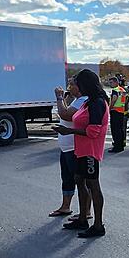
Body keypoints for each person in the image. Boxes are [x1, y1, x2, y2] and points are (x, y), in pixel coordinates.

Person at [53, 68, 109, 238]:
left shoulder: (97, 103)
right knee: (79, 180)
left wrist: (68, 131)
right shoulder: (86, 101)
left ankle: (98, 225)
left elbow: (93, 131)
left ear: (85, 84)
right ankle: (83, 218)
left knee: (93, 185)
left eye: (76, 83)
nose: (74, 86)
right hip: (81, 150)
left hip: (90, 150)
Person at [49, 79, 88, 218]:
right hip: (66, 147)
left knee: (81, 180)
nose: (69, 88)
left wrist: (59, 98)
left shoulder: (83, 100)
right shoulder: (77, 100)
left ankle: (86, 211)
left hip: (74, 147)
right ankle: (65, 207)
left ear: (80, 87)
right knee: (67, 178)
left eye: (72, 85)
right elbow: (67, 113)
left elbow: (65, 114)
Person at [108, 76, 128, 152]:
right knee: (120, 129)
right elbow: (125, 101)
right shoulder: (122, 90)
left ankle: (117, 147)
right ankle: (121, 145)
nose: (110, 84)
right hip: (121, 111)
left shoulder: (115, 90)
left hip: (115, 111)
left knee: (115, 130)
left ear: (116, 82)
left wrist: (109, 108)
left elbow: (114, 99)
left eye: (111, 82)